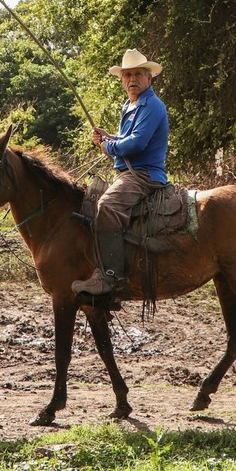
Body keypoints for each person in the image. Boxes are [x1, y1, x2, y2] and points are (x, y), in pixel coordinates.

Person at [72, 48, 169, 298]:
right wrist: (109, 138)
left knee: (107, 206)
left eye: (137, 74)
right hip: (127, 173)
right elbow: (126, 141)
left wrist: (107, 145)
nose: (132, 80)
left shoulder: (152, 106)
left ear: (149, 77)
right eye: (127, 75)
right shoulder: (130, 104)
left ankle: (111, 277)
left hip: (143, 176)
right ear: (122, 79)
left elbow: (136, 144)